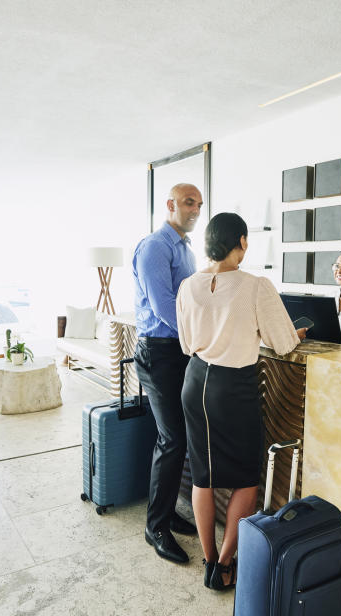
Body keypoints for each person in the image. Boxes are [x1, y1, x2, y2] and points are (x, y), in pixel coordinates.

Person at [176, 212, 308, 590]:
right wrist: (294, 332)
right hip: (233, 388)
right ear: (242, 243)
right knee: (246, 479)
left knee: (203, 476)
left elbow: (187, 344)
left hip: (196, 381)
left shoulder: (188, 285)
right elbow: (282, 343)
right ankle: (226, 563)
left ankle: (208, 559)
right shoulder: (255, 285)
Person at [132, 183, 203, 564]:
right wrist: (202, 335)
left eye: (199, 204)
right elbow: (165, 308)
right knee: (172, 439)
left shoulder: (186, 249)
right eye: (189, 203)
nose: (195, 210)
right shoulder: (155, 247)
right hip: (159, 353)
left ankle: (168, 511)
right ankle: (155, 527)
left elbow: (191, 302)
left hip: (180, 352)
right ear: (171, 204)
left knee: (178, 439)